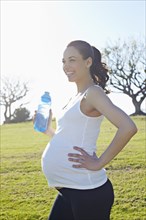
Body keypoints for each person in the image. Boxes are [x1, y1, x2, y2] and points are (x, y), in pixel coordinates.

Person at [35, 40, 137, 220]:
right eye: (64, 61)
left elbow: (128, 127)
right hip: (68, 190)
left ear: (88, 62)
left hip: (88, 191)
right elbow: (67, 137)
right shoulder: (76, 97)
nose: (66, 66)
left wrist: (99, 163)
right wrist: (47, 130)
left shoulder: (93, 93)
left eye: (72, 60)